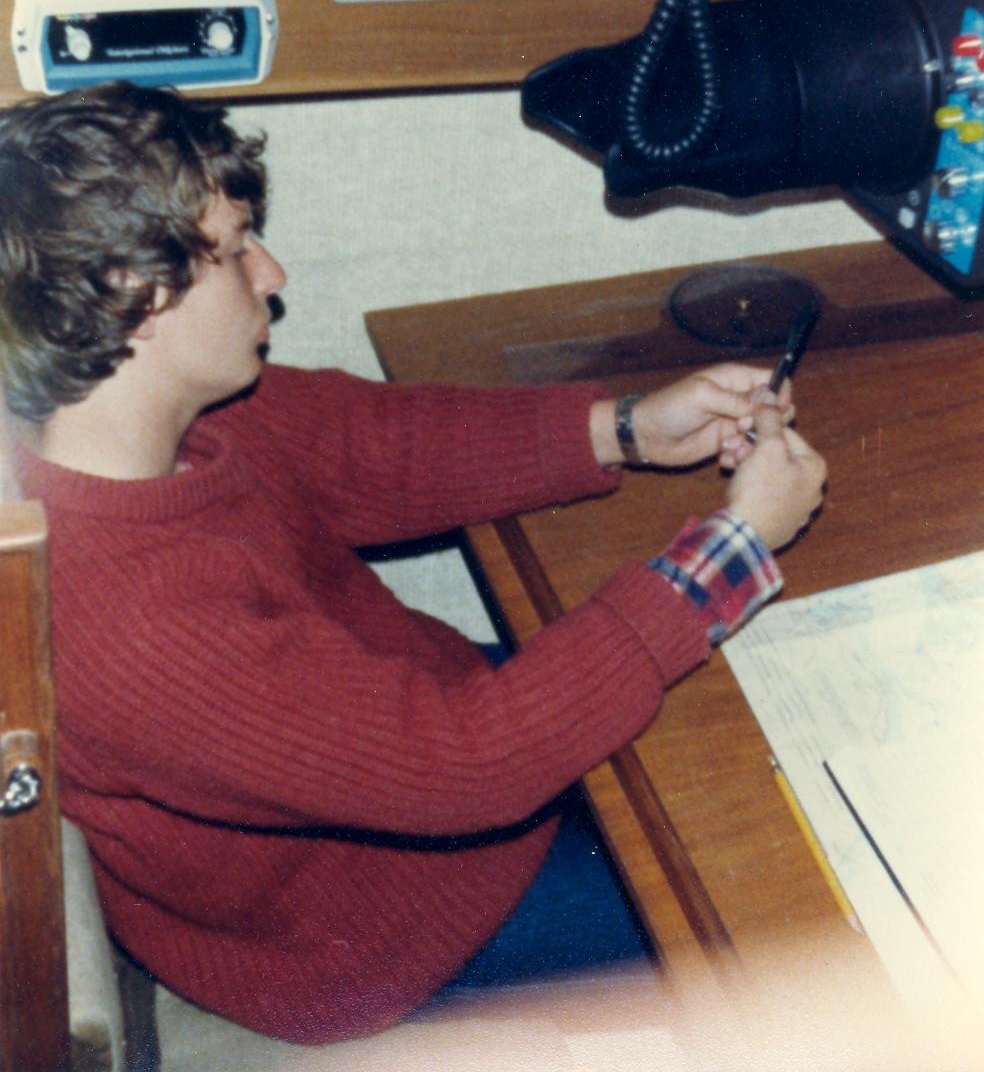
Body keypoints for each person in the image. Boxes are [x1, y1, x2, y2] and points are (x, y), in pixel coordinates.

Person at [0, 81, 826, 1045]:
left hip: (427, 750)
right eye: (235, 250)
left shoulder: (148, 427)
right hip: (387, 931)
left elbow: (366, 444)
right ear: (131, 297)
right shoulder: (132, 628)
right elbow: (469, 764)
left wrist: (627, 428)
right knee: (791, 906)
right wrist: (733, 548)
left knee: (752, 732)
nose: (271, 273)